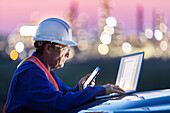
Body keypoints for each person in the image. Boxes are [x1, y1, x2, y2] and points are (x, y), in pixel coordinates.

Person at [4, 18, 124, 113]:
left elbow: (64, 96)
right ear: (48, 48)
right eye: (65, 49)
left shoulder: (44, 70)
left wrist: (79, 88)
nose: (68, 55)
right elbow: (58, 104)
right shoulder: (32, 73)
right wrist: (100, 90)